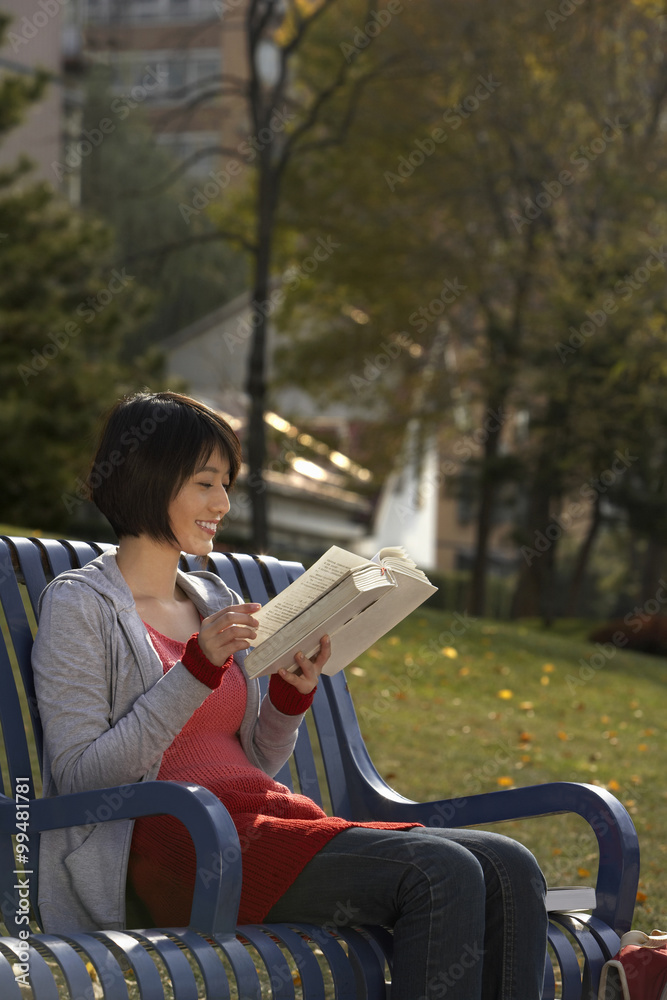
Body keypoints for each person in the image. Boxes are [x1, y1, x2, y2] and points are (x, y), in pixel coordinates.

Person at [32, 390, 548, 999]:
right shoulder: (80, 605)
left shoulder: (212, 599)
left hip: (256, 820)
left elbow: (251, 763)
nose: (223, 503)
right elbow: (81, 779)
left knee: (510, 865)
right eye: (206, 483)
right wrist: (195, 670)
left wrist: (286, 700)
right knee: (440, 873)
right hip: (176, 845)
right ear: (150, 479)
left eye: (226, 484)